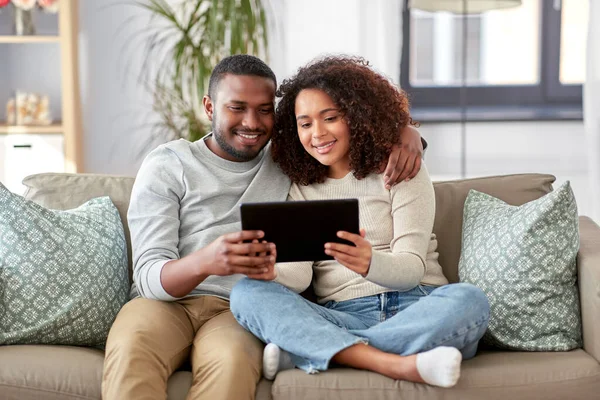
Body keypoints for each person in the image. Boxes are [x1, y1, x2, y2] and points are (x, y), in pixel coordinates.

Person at [101, 54, 427, 400]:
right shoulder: (169, 165)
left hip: (239, 308)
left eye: (264, 109)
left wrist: (406, 133)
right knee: (131, 352)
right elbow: (149, 274)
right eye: (236, 108)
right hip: (161, 305)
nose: (251, 122)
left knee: (231, 365)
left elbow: (346, 124)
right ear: (210, 107)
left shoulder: (287, 160)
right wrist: (207, 261)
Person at [229, 56, 490, 388]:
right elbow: (300, 273)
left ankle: (317, 352)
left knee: (470, 301)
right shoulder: (301, 187)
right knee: (248, 293)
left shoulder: (401, 169)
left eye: (331, 118)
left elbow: (411, 269)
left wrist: (369, 262)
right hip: (342, 314)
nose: (317, 133)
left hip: (421, 304)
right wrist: (273, 272)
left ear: (357, 116)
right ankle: (395, 362)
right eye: (305, 123)